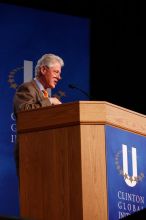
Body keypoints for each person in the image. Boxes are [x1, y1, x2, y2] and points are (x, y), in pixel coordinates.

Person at [13, 53, 64, 176]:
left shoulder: (44, 94)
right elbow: (23, 112)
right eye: (56, 72)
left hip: (46, 150)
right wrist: (50, 101)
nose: (60, 77)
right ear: (43, 69)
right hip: (30, 152)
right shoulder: (27, 88)